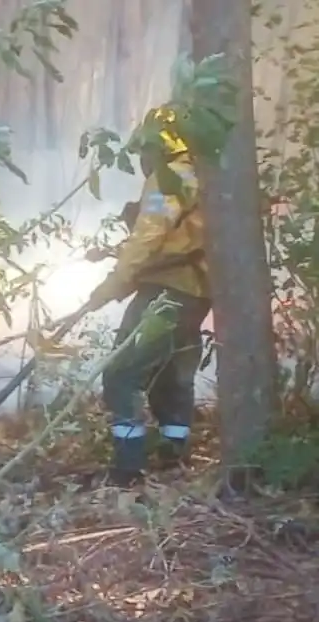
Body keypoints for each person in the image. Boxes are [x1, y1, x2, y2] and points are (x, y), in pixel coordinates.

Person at [84, 107, 210, 487]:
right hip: (199, 292)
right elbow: (176, 240)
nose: (142, 161)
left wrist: (111, 286)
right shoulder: (203, 175)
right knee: (170, 376)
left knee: (121, 373)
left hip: (170, 291)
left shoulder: (169, 179)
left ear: (159, 147)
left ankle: (128, 470)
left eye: (144, 152)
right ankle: (173, 457)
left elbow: (149, 237)